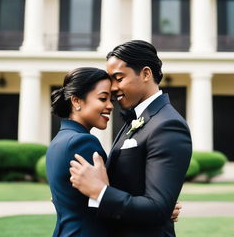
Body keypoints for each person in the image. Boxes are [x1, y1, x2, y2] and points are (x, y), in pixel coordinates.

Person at [70, 40, 192, 237]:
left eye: (119, 78)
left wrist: (100, 191)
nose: (113, 89)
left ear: (145, 73)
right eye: (111, 81)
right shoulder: (134, 119)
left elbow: (157, 208)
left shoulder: (168, 125)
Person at [46, 67, 113, 237]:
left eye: (111, 99)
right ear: (76, 101)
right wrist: (154, 211)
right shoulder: (82, 143)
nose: (111, 106)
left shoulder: (59, 141)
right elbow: (104, 200)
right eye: (103, 98)